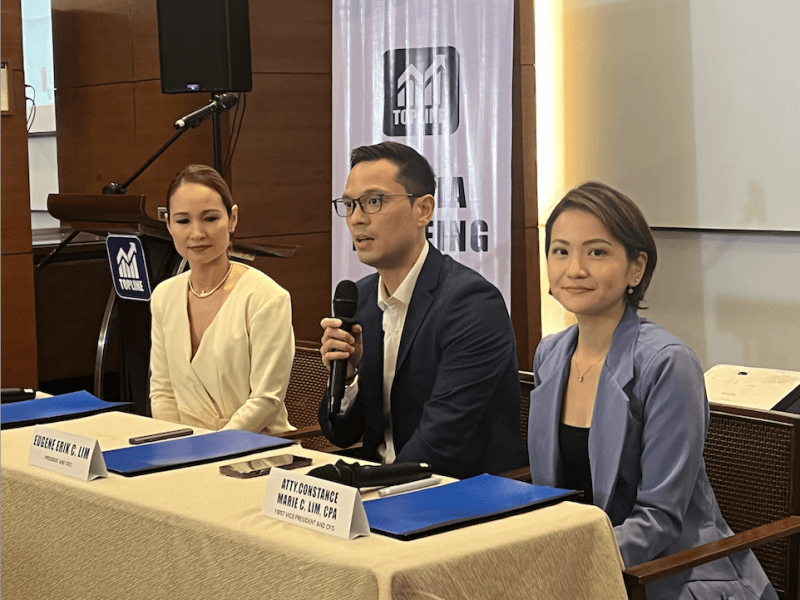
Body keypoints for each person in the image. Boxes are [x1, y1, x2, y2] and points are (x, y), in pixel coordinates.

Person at [527, 182, 777, 599]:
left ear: (636, 268)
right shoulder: (550, 354)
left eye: (597, 252)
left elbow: (659, 518)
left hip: (668, 575)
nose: (574, 269)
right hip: (579, 569)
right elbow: (551, 494)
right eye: (560, 250)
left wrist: (567, 564)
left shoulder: (667, 362)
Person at [317, 141, 526, 479]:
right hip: (385, 482)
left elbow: (442, 440)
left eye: (374, 201)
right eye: (349, 204)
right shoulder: (362, 297)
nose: (356, 218)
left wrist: (367, 489)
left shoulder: (470, 303)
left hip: (458, 493)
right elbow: (339, 434)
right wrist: (350, 375)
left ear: (423, 210)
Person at [149, 164, 295, 434]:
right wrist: (174, 448)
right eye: (183, 221)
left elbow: (266, 401)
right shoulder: (163, 296)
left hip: (255, 451)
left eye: (210, 218)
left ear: (233, 219)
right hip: (185, 452)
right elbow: (162, 392)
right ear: (168, 224)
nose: (197, 234)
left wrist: (210, 450)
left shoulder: (267, 298)